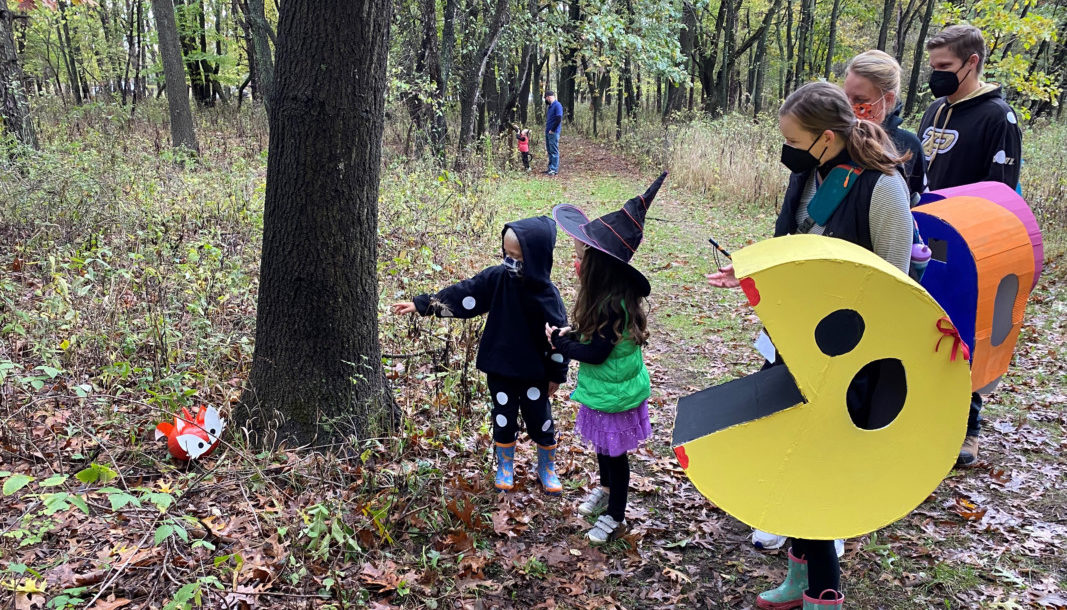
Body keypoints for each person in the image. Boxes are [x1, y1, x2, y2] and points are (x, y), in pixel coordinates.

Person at [708, 82, 913, 609]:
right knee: (792, 459)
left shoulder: (881, 187)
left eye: (794, 139)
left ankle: (825, 595)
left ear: (826, 137)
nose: (787, 150)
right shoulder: (807, 173)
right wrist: (750, 268)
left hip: (847, 356)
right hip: (792, 340)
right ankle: (800, 578)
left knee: (818, 471)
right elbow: (790, 245)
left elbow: (897, 283)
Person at [391, 217, 570, 495]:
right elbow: (466, 294)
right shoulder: (497, 279)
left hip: (535, 372)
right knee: (503, 416)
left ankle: (547, 467)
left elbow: (559, 339)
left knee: (540, 418)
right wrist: (424, 304)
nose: (510, 262)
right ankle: (505, 465)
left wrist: (557, 374)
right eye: (507, 254)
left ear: (536, 258)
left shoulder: (547, 296)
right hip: (500, 368)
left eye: (518, 257)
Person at [918, 24, 1023, 467]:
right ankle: (923, 414)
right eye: (933, 67)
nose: (936, 75)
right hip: (924, 237)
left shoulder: (999, 117)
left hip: (968, 243)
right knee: (925, 329)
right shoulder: (933, 112)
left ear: (971, 63)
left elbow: (1001, 192)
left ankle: (967, 426)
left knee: (964, 331)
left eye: (944, 67)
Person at [547, 172, 666, 544]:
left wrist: (560, 345)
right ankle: (603, 489)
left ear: (599, 267)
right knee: (603, 447)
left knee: (615, 455)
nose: (575, 261)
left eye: (580, 256)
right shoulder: (607, 299)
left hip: (615, 393)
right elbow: (592, 336)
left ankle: (615, 513)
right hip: (606, 391)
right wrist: (572, 333)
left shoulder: (613, 307)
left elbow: (596, 353)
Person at [844, 49, 927, 201]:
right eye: (845, 97)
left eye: (859, 100)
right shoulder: (835, 135)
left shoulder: (907, 145)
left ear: (888, 99)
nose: (849, 107)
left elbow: (917, 200)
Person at [544, 91, 564, 176]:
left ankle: (554, 169)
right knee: (549, 150)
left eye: (545, 98)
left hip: (553, 132)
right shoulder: (550, 106)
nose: (546, 100)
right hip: (548, 132)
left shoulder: (557, 105)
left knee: (554, 151)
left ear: (548, 97)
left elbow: (559, 118)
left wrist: (552, 129)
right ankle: (550, 167)